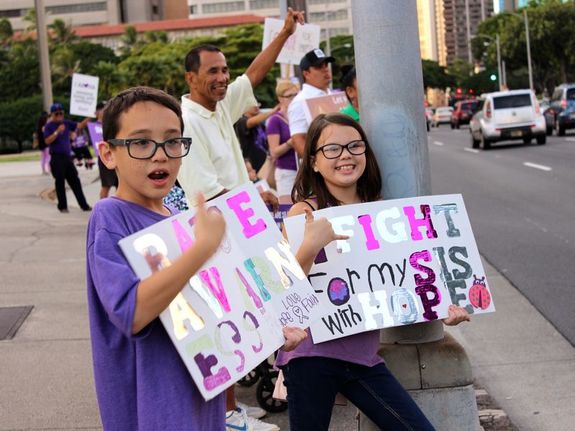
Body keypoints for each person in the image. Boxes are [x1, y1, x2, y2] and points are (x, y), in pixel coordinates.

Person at [86, 86, 306, 430]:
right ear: (108, 153)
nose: (160, 155)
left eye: (172, 141)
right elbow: (132, 312)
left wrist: (273, 329)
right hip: (155, 408)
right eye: (141, 142)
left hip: (203, 396)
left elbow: (216, 303)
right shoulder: (110, 216)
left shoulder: (178, 218)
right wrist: (201, 249)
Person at [276, 113, 471, 431]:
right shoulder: (304, 212)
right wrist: (310, 246)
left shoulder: (383, 214)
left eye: (355, 145)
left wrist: (441, 308)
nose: (345, 155)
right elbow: (282, 291)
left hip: (363, 358)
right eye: (332, 149)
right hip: (311, 356)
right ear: (313, 161)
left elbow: (404, 280)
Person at [177, 8, 305, 430]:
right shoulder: (188, 121)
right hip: (217, 239)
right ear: (190, 78)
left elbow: (253, 74)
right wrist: (259, 192)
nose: (221, 78)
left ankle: (231, 410)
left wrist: (285, 33)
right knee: (229, 326)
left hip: (242, 229)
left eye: (223, 70)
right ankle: (227, 414)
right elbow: (208, 194)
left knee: (247, 323)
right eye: (212, 71)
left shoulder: (217, 106)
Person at [43, 102, 91, 213]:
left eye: (61, 113)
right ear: (52, 115)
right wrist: (57, 132)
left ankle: (84, 205)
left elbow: (79, 126)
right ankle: (62, 206)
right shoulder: (49, 126)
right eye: (57, 113)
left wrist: (89, 117)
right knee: (60, 183)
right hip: (56, 158)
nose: (59, 115)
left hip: (67, 157)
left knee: (75, 181)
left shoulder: (66, 123)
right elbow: (47, 141)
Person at [288, 48, 335, 157]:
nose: (325, 69)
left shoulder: (333, 95)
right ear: (306, 73)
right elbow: (298, 139)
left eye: (326, 65)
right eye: (319, 67)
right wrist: (316, 164)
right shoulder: (300, 101)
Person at [267, 80, 299, 204]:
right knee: (288, 211)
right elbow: (274, 152)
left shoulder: (298, 116)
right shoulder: (275, 120)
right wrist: (290, 143)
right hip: (286, 172)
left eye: (296, 95)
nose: (294, 98)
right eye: (289, 96)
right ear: (280, 99)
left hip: (302, 170)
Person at [234, 103, 278, 177]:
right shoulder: (241, 121)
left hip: (265, 166)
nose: (256, 106)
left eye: (257, 103)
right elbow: (251, 122)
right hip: (253, 168)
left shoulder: (261, 123)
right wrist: (273, 111)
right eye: (252, 104)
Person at [86, 101, 119, 199]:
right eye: (103, 110)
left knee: (120, 185)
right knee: (106, 186)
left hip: (116, 156)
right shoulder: (93, 126)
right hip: (104, 158)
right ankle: (103, 210)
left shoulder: (112, 124)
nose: (105, 111)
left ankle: (118, 209)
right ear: (97, 112)